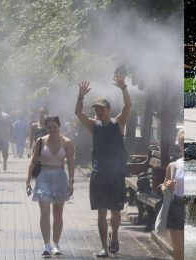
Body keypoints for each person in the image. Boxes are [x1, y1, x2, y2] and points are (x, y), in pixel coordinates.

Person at [75, 75, 132, 257]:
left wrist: (123, 88)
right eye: (96, 109)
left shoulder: (118, 123)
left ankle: (114, 235)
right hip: (99, 173)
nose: (98, 111)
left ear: (108, 109)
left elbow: (128, 106)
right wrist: (81, 96)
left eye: (101, 109)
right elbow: (78, 113)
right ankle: (104, 247)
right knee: (101, 213)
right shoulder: (94, 125)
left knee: (115, 213)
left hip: (116, 174)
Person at [25, 115, 75, 256]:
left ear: (59, 126)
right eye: (49, 128)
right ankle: (46, 244)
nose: (52, 130)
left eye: (55, 127)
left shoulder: (67, 143)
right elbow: (33, 162)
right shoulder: (41, 141)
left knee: (58, 213)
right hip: (44, 177)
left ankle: (56, 244)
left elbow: (71, 163)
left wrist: (71, 181)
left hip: (60, 176)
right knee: (45, 211)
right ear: (46, 128)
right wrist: (28, 180)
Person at [161, 130, 185, 260]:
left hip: (193, 207)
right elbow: (163, 187)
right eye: (182, 142)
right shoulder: (174, 165)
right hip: (177, 207)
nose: (185, 145)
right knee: (179, 253)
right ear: (179, 144)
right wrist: (168, 186)